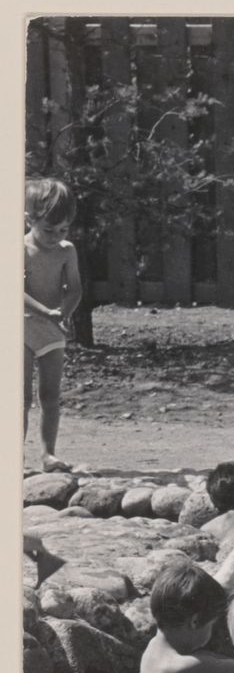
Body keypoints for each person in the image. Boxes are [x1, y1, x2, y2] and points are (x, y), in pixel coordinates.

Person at [24, 177, 82, 472]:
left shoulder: (66, 250)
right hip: (21, 327)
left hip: (52, 329)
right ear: (29, 219)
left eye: (63, 229)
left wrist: (65, 313)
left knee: (50, 394)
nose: (56, 236)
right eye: (49, 229)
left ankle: (49, 454)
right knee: (18, 395)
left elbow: (74, 289)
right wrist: (46, 311)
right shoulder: (19, 249)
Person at [140, 557, 234, 673]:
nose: (212, 629)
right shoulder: (187, 666)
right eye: (211, 624)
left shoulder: (154, 645)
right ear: (194, 621)